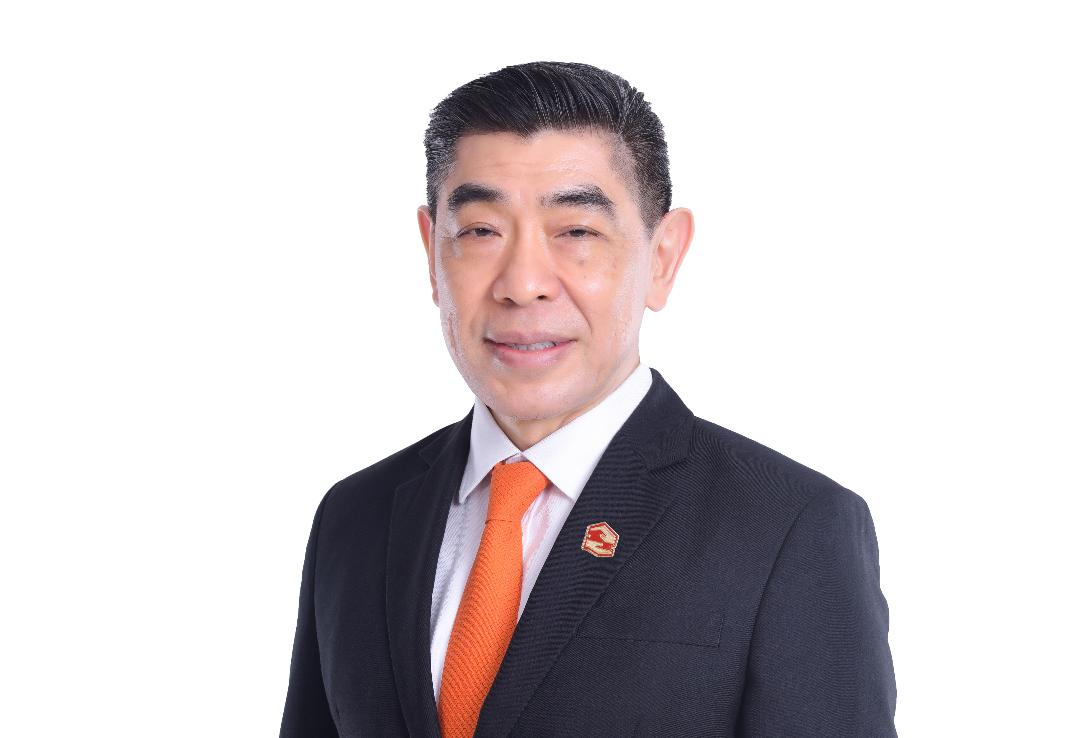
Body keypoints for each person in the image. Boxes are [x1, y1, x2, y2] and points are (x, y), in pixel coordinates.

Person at [279, 61, 897, 738]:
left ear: (663, 257)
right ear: (432, 252)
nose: (523, 284)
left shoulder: (788, 527)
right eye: (481, 230)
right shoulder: (356, 517)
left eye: (575, 231)